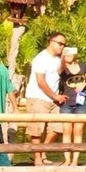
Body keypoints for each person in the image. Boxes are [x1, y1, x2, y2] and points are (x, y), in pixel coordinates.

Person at [25, 32, 66, 165]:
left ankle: (43, 151)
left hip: (53, 99)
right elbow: (40, 82)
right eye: (60, 43)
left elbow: (60, 72)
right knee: (36, 129)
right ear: (51, 42)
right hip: (38, 97)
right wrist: (55, 96)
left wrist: (65, 59)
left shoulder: (57, 59)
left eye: (64, 44)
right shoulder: (41, 58)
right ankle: (37, 157)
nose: (62, 46)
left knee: (58, 127)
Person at [59, 47, 86, 166]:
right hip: (67, 103)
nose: (68, 56)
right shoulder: (63, 68)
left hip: (81, 102)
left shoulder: (83, 67)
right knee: (66, 131)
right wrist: (62, 57)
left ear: (75, 55)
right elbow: (59, 70)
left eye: (70, 54)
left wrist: (84, 84)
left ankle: (75, 160)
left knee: (78, 131)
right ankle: (67, 159)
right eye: (66, 54)